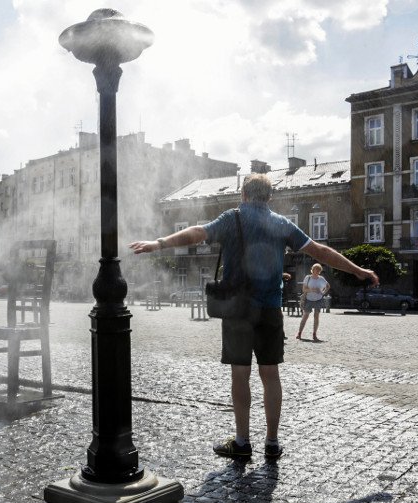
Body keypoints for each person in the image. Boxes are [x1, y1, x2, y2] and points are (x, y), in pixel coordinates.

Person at [128, 174, 379, 460]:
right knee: (271, 375)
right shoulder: (281, 223)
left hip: (237, 310)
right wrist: (358, 271)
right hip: (270, 309)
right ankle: (272, 443)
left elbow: (198, 232)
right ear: (269, 197)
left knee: (240, 374)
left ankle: (242, 441)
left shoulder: (231, 218)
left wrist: (159, 243)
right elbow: (320, 251)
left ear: (244, 194)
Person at [296, 263, 330, 342]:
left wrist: (322, 292)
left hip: (318, 299)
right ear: (312, 270)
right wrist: (311, 290)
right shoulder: (308, 278)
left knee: (316, 316)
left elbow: (328, 286)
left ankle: (314, 334)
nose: (317, 271)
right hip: (309, 299)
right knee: (305, 316)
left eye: (318, 270)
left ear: (320, 271)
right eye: (315, 269)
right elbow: (304, 290)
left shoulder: (321, 278)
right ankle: (299, 333)